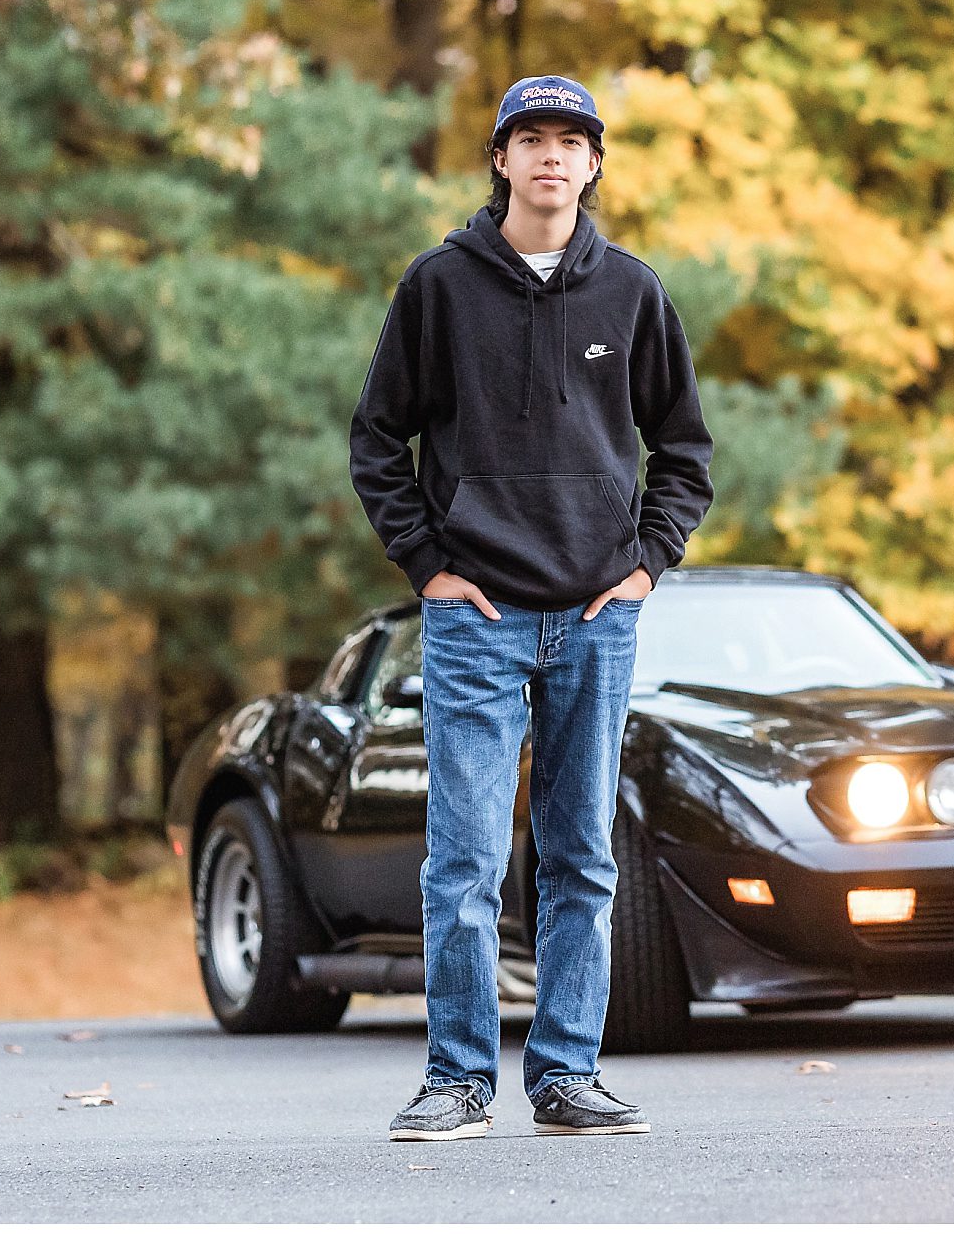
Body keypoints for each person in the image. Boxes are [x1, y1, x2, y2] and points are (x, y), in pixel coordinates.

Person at [348, 74, 715, 1140]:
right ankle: (458, 1077)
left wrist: (645, 565)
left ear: (593, 164)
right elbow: (378, 439)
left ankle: (564, 1074)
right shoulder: (439, 286)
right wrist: (426, 565)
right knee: (461, 855)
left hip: (598, 617)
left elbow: (683, 453)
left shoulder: (632, 293)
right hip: (478, 614)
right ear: (500, 159)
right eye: (531, 139)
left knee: (581, 855)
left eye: (571, 140)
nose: (551, 156)